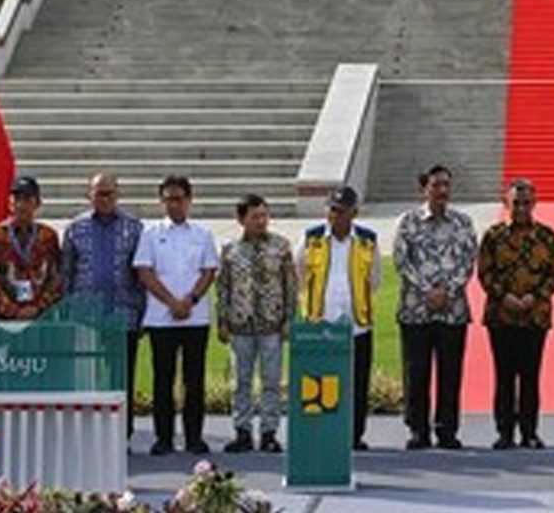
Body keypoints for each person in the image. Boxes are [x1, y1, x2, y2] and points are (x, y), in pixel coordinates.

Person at [393, 164, 478, 450]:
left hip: (452, 311)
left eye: (446, 185)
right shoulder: (409, 222)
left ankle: (447, 429)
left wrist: (448, 290)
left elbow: (468, 261)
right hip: (416, 309)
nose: (442, 191)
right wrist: (428, 290)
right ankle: (418, 429)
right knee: (416, 372)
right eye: (436, 185)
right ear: (424, 189)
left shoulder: (463, 223)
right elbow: (401, 261)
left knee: (450, 372)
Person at [133, 175, 220, 456]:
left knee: (194, 380)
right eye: (169, 198)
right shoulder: (150, 233)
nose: (174, 204)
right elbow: (145, 272)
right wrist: (172, 302)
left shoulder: (202, 234)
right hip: (162, 317)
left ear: (189, 201)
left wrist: (190, 299)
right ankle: (164, 438)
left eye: (179, 198)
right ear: (162, 202)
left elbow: (209, 271)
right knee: (163, 379)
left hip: (195, 317)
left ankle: (194, 437)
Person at [475, 178, 554, 450]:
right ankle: (504, 432)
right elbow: (485, 272)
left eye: (526, 202)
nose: (521, 208)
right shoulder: (493, 235)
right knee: (504, 376)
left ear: (534, 204)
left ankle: (529, 431)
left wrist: (533, 297)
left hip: (534, 316)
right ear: (506, 203)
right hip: (502, 315)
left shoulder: (547, 236)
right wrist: (506, 296)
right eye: (516, 203)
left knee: (530, 376)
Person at [62, 172, 146, 442]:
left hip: (123, 316)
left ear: (118, 195)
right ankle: (86, 434)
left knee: (122, 378)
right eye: (99, 193)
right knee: (86, 377)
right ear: (90, 195)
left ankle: (122, 434)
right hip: (85, 317)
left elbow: (142, 274)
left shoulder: (134, 227)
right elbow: (66, 273)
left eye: (110, 193)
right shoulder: (76, 228)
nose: (105, 198)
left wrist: (142, 313)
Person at [300, 184, 381, 451]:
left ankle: (355, 435)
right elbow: (299, 274)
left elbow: (376, 279)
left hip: (356, 323)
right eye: (332, 210)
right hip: (319, 324)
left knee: (357, 383)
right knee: (319, 382)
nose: (335, 216)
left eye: (342, 211)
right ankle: (320, 434)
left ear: (354, 213)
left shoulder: (368, 240)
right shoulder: (312, 238)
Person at [216, 193, 295, 454]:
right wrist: (223, 320)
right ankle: (242, 431)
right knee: (241, 381)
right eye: (255, 217)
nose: (261, 221)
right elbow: (223, 287)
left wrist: (289, 320)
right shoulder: (230, 250)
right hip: (241, 324)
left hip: (272, 323)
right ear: (241, 219)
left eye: (264, 215)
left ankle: (270, 432)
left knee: (271, 381)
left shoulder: (281, 247)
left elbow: (290, 286)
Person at [0, 175, 63, 320]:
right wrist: (13, 310)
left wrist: (38, 307)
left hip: (40, 317)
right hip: (3, 318)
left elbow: (56, 277)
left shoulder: (48, 236)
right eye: (16, 199)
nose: (21, 205)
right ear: (9, 203)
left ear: (37, 203)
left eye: (27, 199)